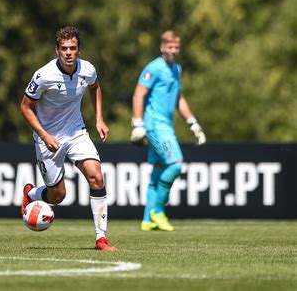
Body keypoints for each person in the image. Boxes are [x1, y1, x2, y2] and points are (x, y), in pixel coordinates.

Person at [20, 26, 116, 251]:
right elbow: (25, 108)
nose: (69, 53)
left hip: (76, 132)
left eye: (73, 48)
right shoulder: (43, 76)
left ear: (79, 50)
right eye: (64, 49)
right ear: (57, 50)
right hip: (48, 139)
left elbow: (95, 88)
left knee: (97, 178)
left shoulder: (88, 69)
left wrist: (99, 119)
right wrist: (44, 135)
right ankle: (32, 193)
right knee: (57, 196)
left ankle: (101, 238)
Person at [131, 30, 206, 232]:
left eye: (176, 47)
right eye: (170, 47)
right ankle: (158, 211)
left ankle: (147, 220)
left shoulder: (176, 69)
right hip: (154, 126)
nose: (173, 51)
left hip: (166, 125)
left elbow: (179, 98)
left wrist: (192, 123)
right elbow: (138, 94)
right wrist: (137, 124)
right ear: (162, 47)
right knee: (175, 164)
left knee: (157, 172)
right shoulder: (154, 68)